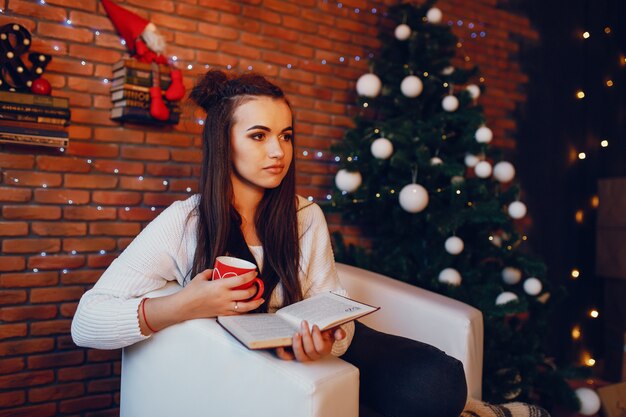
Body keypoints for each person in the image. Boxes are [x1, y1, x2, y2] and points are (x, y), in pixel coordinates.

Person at [71, 70, 467, 416]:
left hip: (310, 350)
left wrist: (329, 340)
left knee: (439, 381)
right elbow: (86, 323)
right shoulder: (186, 221)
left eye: (286, 135)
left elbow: (328, 300)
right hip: (247, 365)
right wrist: (184, 305)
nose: (279, 152)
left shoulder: (305, 216)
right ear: (224, 143)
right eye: (258, 136)